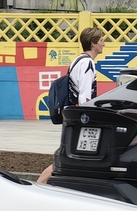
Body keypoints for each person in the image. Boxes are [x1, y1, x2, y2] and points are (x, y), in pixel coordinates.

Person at [37, 27, 106, 185]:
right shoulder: (88, 64)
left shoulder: (78, 60)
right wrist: (87, 118)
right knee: (67, 156)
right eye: (101, 40)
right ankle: (41, 183)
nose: (104, 43)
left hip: (72, 114)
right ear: (93, 43)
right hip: (80, 117)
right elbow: (85, 95)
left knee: (70, 154)